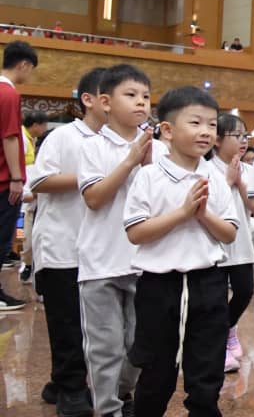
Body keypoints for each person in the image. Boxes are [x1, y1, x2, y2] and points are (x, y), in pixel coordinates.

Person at [124, 86, 238, 417]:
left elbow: (229, 233)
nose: (206, 132)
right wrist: (183, 213)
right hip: (160, 287)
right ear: (169, 130)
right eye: (196, 123)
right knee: (157, 372)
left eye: (212, 125)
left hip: (209, 283)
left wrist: (203, 215)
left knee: (206, 373)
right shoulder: (148, 176)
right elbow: (135, 232)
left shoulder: (214, 178)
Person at [28, 67, 106, 416]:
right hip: (62, 245)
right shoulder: (64, 138)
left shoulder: (120, 142)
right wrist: (93, 178)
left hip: (99, 249)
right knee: (67, 322)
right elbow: (40, 182)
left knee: (91, 325)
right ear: (88, 100)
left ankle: (61, 381)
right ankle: (71, 388)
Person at [77, 64, 153, 417]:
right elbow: (94, 198)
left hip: (144, 262)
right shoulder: (92, 146)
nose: (141, 103)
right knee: (105, 347)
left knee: (141, 344)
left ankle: (123, 393)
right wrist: (131, 161)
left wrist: (150, 166)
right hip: (101, 263)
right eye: (131, 95)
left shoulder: (159, 149)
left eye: (146, 96)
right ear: (105, 102)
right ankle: (107, 410)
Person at [207, 113, 254, 373]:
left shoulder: (250, 169)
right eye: (236, 136)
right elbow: (209, 206)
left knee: (244, 290)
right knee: (215, 299)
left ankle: (228, 329)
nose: (243, 141)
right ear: (217, 141)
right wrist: (227, 182)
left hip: (242, 243)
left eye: (245, 136)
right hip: (215, 244)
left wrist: (240, 183)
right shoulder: (207, 169)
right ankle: (219, 348)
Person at [0, 40, 37, 311]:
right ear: (23, 64)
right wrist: (15, 177)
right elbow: (10, 137)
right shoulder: (9, 94)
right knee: (2, 236)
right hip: (3, 179)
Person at [19, 109, 48, 282]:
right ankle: (25, 263)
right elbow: (24, 195)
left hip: (34, 209)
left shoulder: (30, 140)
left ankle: (29, 266)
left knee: (33, 241)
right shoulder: (22, 139)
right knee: (22, 237)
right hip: (22, 210)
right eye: (43, 125)